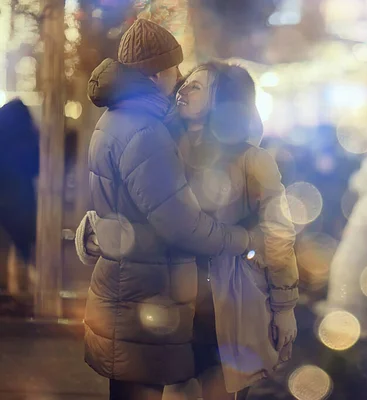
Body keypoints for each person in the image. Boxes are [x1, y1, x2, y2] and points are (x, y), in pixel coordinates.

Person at [83, 19, 256, 400]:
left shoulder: (116, 118)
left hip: (126, 288)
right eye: (176, 70)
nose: (178, 79)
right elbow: (179, 223)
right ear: (159, 71)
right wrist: (240, 239)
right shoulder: (146, 131)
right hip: (143, 295)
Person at [173, 61, 299, 400]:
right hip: (174, 297)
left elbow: (278, 234)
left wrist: (284, 306)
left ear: (222, 101)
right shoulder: (168, 150)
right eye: (185, 83)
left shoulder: (252, 161)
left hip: (228, 301)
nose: (183, 89)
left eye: (196, 86)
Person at [0, 99, 39, 265]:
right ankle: (21, 285)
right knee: (22, 247)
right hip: (22, 198)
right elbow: (36, 167)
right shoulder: (28, 135)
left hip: (2, 194)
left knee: (3, 246)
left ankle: (3, 284)